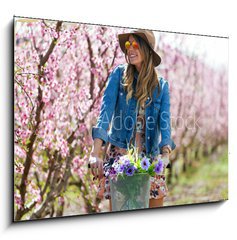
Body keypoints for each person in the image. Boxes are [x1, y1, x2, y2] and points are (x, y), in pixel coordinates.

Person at [88, 29, 176, 210]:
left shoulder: (161, 86)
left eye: (135, 44)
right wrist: (95, 153)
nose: (130, 49)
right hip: (120, 154)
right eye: (128, 45)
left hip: (149, 157)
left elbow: (165, 123)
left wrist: (165, 155)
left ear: (147, 50)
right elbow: (105, 113)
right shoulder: (119, 75)